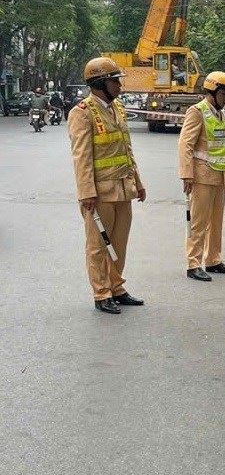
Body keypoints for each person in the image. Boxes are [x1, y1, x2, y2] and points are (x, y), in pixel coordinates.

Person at [67, 57, 146, 314]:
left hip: (123, 189)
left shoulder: (118, 108)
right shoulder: (82, 113)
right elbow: (82, 157)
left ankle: (116, 286)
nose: (120, 85)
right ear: (100, 83)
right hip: (99, 194)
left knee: (119, 244)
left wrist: (138, 182)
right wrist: (86, 193)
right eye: (115, 81)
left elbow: (127, 150)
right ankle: (101, 293)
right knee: (99, 246)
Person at [178, 71, 225, 281]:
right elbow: (186, 144)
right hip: (201, 177)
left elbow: (221, 148)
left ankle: (213, 260)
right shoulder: (197, 111)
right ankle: (193, 263)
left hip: (219, 176)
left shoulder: (220, 114)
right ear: (211, 92)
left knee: (216, 222)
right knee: (199, 223)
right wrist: (186, 174)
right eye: (224, 94)